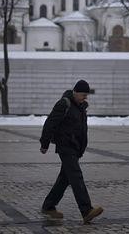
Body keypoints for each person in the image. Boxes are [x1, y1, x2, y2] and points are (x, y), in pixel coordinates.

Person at [39, 79, 103, 224]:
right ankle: (86, 210)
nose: (85, 97)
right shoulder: (64, 104)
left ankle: (48, 206)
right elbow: (50, 124)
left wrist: (81, 147)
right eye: (82, 94)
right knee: (76, 176)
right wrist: (45, 143)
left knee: (64, 178)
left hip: (75, 148)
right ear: (75, 92)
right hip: (65, 146)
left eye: (86, 95)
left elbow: (81, 130)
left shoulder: (81, 107)